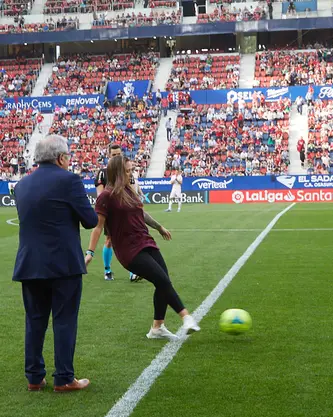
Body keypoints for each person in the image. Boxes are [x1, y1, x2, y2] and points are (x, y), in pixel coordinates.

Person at [13, 135, 97, 392]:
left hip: (30, 263)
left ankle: (34, 377)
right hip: (63, 264)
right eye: (68, 156)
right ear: (61, 158)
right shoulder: (69, 180)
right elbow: (90, 220)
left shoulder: (22, 185)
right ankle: (63, 378)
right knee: (64, 320)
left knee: (35, 320)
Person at [86, 155, 201, 339]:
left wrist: (159, 227)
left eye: (131, 170)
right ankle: (186, 316)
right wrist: (90, 252)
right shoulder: (106, 197)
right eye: (128, 171)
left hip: (145, 241)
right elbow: (98, 227)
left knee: (163, 280)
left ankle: (157, 328)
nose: (131, 174)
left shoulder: (129, 190)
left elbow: (142, 213)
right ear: (117, 172)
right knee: (162, 280)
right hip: (128, 249)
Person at [93, 144, 142, 282]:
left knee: (131, 240)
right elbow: (100, 196)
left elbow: (132, 193)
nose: (116, 157)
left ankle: (133, 272)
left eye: (118, 154)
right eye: (113, 155)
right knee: (109, 240)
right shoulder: (103, 173)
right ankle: (107, 270)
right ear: (109, 156)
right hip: (111, 212)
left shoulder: (127, 172)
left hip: (125, 212)